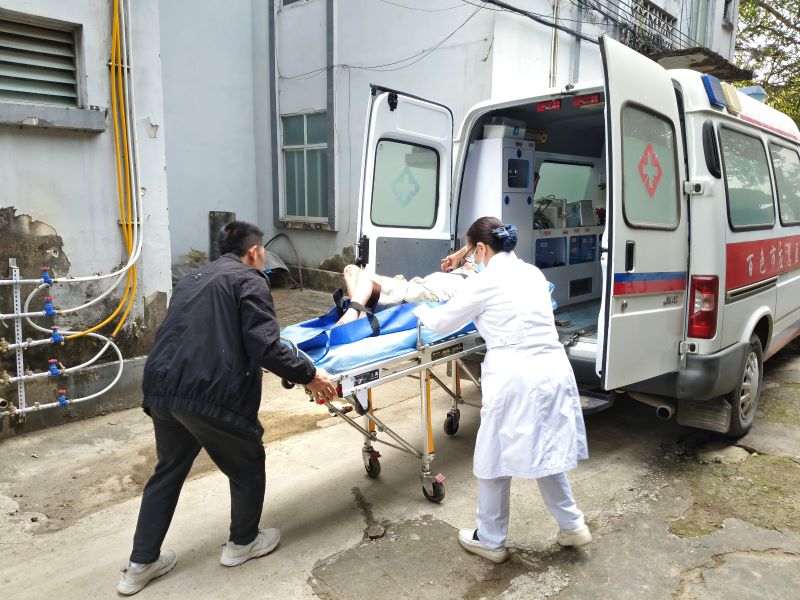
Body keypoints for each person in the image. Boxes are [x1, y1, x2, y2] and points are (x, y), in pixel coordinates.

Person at [117, 221, 336, 595]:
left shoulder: (191, 279)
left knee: (168, 469)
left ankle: (140, 564)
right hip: (207, 391)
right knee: (247, 463)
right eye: (263, 252)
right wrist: (310, 374)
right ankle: (242, 543)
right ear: (254, 252)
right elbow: (265, 345)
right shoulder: (250, 279)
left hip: (162, 388)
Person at [414, 216, 590, 564]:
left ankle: (490, 539)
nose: (471, 259)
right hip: (553, 368)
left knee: (493, 457)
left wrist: (416, 306)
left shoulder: (484, 282)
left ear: (481, 249)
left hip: (516, 375)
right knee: (546, 447)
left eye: (472, 252)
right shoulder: (532, 273)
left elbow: (442, 323)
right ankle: (572, 524)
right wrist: (463, 256)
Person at [334, 262, 474, 326]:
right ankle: (359, 313)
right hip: (415, 288)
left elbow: (472, 245)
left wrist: (461, 256)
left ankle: (352, 314)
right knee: (350, 269)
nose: (468, 262)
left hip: (428, 296)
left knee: (366, 276)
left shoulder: (473, 279)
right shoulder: (454, 273)